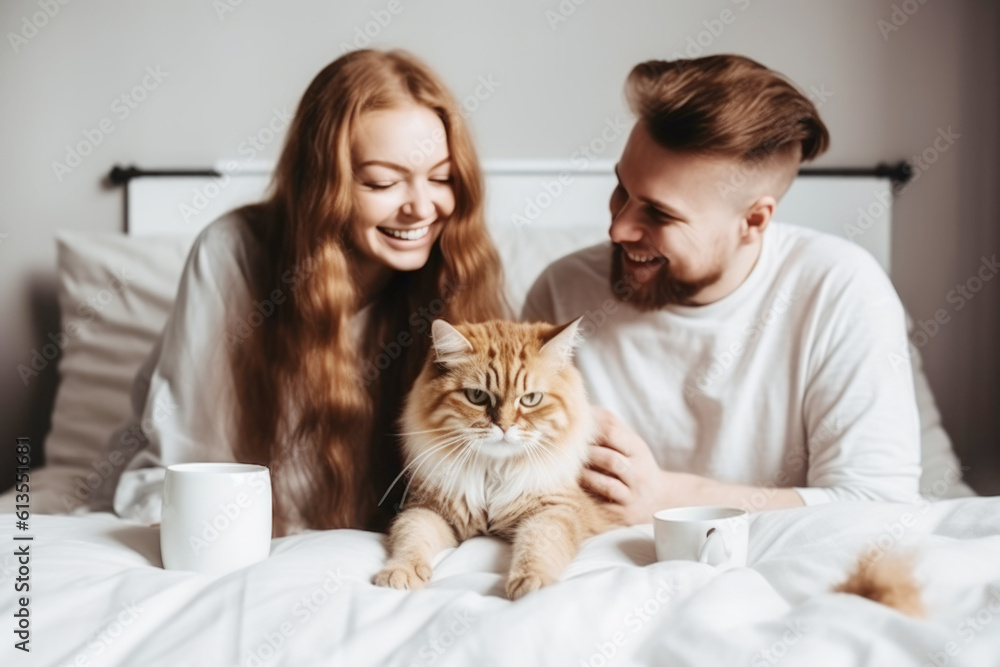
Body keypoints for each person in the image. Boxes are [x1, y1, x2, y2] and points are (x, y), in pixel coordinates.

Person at [523, 54, 934, 525]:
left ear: (753, 221)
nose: (618, 229)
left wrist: (668, 497)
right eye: (622, 190)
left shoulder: (841, 290)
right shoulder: (561, 292)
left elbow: (880, 506)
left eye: (659, 214)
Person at [110, 49, 508, 535]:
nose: (421, 208)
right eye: (383, 182)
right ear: (324, 187)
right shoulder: (232, 253)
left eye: (442, 178)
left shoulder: (460, 267)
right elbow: (190, 465)